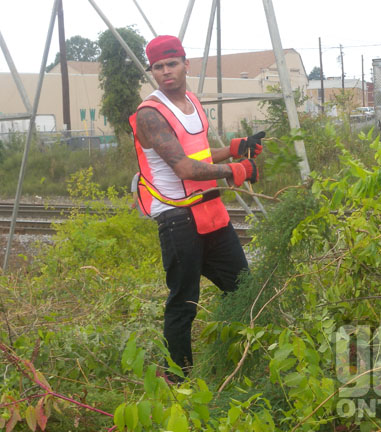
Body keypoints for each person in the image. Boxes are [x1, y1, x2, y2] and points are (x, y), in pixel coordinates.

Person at [129, 35, 265, 377]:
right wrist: (234, 171)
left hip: (209, 209)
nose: (165, 72)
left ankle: (243, 359)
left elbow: (198, 156)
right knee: (184, 302)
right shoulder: (150, 114)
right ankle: (178, 379)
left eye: (171, 64)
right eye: (158, 67)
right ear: (152, 72)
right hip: (177, 218)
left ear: (186, 64)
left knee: (243, 286)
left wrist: (234, 149)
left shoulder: (191, 101)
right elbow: (184, 168)